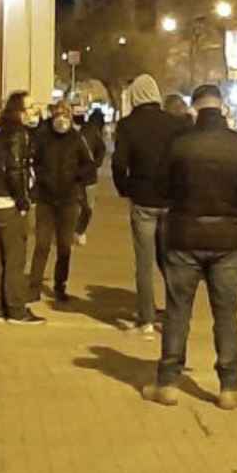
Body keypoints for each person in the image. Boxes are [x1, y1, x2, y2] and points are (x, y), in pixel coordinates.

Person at [141, 85, 237, 411]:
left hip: (184, 236)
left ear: (195, 109)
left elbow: (160, 188)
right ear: (223, 108)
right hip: (228, 239)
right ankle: (229, 386)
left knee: (177, 311)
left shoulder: (179, 145)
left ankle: (167, 382)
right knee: (226, 313)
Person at [112, 74, 190, 334]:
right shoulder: (175, 125)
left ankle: (145, 317)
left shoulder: (127, 125)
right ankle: (176, 314)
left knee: (143, 262)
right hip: (170, 199)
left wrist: (125, 189)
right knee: (170, 259)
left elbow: (119, 163)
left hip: (143, 199)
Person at [30, 99, 98, 304]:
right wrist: (40, 180)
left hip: (68, 200)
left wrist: (76, 177)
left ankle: (60, 286)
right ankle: (33, 287)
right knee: (41, 244)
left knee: (64, 246)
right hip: (45, 200)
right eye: (58, 114)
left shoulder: (77, 139)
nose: (61, 119)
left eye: (65, 115)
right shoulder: (42, 138)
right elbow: (34, 162)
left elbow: (89, 166)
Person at [0, 92, 42, 324]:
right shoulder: (19, 134)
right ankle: (16, 308)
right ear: (18, 110)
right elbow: (15, 170)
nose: (34, 112)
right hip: (9, 201)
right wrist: (22, 201)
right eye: (29, 107)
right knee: (16, 258)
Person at [75, 107, 108, 246]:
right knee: (84, 206)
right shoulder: (92, 131)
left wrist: (95, 163)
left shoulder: (88, 131)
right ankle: (78, 231)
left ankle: (78, 230)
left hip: (84, 175)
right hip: (83, 176)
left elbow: (101, 150)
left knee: (85, 206)